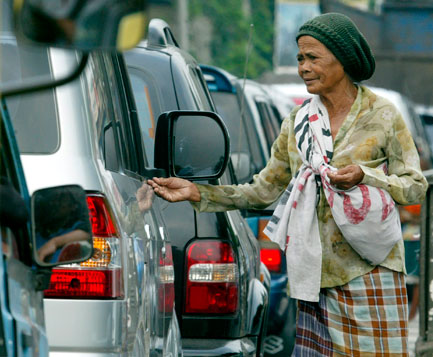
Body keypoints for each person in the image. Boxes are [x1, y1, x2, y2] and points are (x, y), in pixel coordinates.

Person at [148, 13, 428, 356]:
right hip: (316, 279)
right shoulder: (298, 122)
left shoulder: (382, 115)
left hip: (372, 270)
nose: (304, 68)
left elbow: (414, 186)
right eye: (300, 59)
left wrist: (365, 175)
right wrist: (198, 192)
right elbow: (263, 190)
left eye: (313, 58)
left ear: (342, 60)